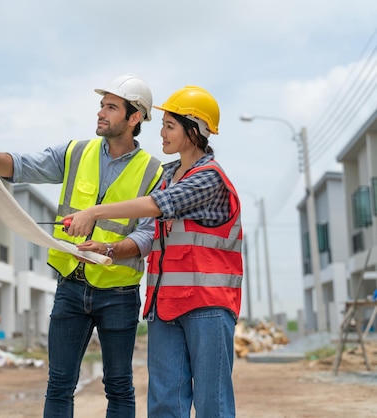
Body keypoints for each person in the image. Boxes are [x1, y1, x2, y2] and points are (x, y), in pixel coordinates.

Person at [0, 73, 163, 418]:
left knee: (118, 386)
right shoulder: (75, 152)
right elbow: (24, 165)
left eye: (111, 107)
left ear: (134, 118)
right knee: (59, 383)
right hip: (70, 286)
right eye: (101, 105)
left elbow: (147, 235)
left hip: (119, 293)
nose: (101, 112)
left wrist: (110, 249)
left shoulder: (153, 172)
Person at [63, 85, 243, 418]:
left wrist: (94, 212)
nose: (160, 133)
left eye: (170, 126)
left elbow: (158, 205)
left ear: (196, 130)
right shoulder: (168, 176)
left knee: (211, 404)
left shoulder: (209, 179)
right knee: (163, 404)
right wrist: (108, 248)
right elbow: (149, 230)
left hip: (207, 305)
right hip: (164, 306)